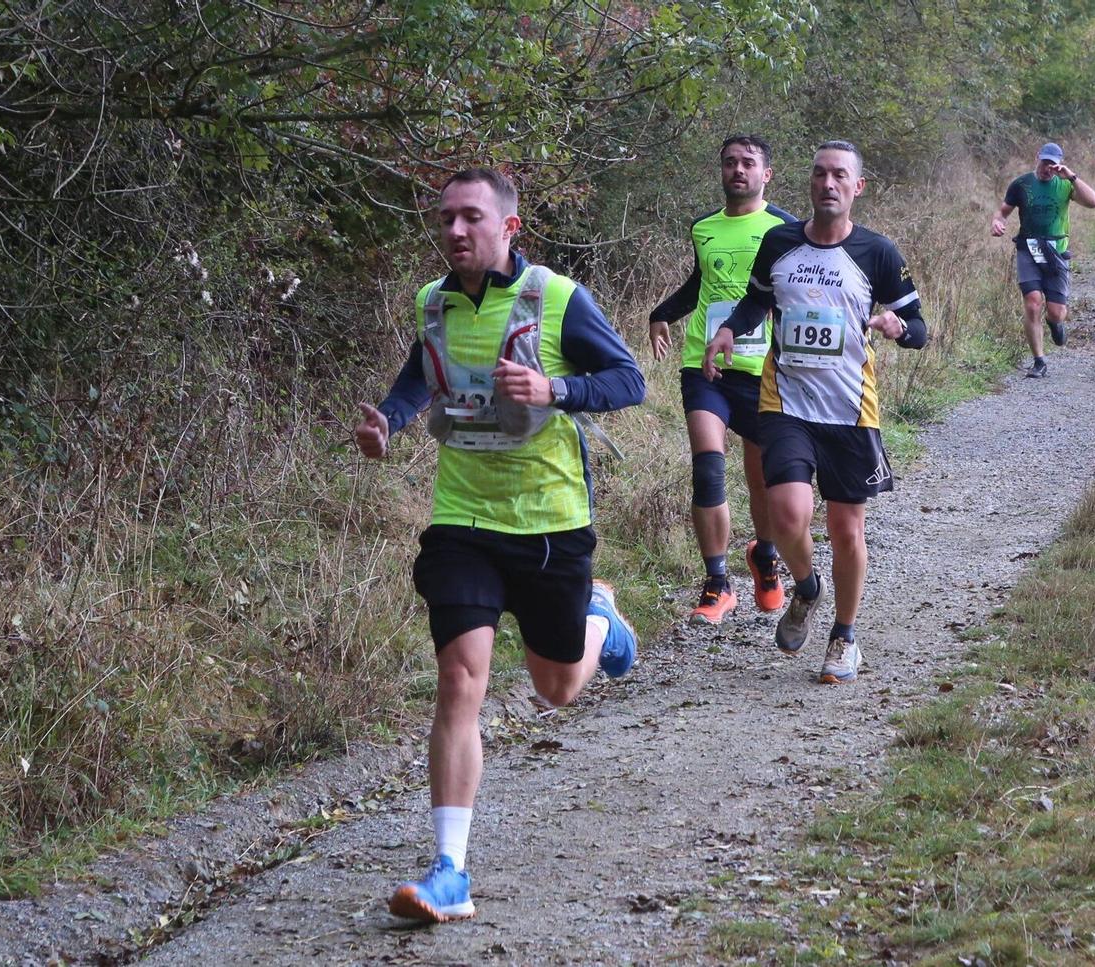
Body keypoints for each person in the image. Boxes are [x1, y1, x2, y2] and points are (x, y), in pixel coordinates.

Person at [354, 167, 647, 923]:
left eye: (471, 218)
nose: (454, 231)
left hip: (549, 522)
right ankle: (450, 870)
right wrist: (388, 420)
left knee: (556, 690)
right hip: (463, 521)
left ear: (509, 227)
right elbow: (420, 377)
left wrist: (557, 390)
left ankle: (599, 619)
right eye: (445, 218)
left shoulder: (556, 299)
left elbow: (629, 380)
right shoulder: (433, 302)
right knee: (461, 679)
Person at [702, 141, 929, 685]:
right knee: (786, 515)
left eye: (840, 176)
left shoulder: (878, 252)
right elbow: (758, 299)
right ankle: (807, 587)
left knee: (847, 529)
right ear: (809, 182)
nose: (828, 184)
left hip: (851, 410)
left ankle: (844, 635)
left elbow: (918, 327)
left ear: (857, 188)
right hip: (785, 403)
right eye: (820, 174)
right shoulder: (779, 242)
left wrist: (900, 329)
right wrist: (731, 328)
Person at [646, 135, 796, 625]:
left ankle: (765, 557)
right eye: (730, 162)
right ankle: (717, 582)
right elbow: (699, 283)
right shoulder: (703, 227)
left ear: (766, 174)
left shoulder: (785, 228)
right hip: (704, 365)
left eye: (748, 163)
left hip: (762, 370)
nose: (738, 170)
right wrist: (661, 313)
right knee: (708, 465)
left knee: (762, 479)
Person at [992, 142, 1095, 379]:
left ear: (1058, 164)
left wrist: (1071, 177)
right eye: (1044, 163)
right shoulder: (1021, 184)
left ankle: (1055, 323)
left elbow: (1093, 202)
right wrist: (997, 222)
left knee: (1057, 312)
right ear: (1037, 158)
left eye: (1052, 164)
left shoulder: (1065, 184)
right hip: (1028, 247)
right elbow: (1003, 211)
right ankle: (1039, 360)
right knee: (1032, 302)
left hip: (1056, 250)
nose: (1047, 168)